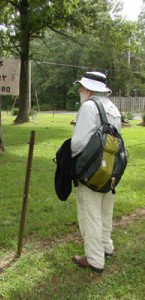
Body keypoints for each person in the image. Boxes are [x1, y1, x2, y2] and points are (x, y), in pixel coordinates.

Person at [71, 71, 121, 273]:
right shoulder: (112, 107)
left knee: (90, 213)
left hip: (91, 170)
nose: (79, 90)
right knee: (105, 210)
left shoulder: (88, 107)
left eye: (82, 87)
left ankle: (94, 260)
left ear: (89, 89)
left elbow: (78, 144)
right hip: (110, 168)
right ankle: (106, 247)